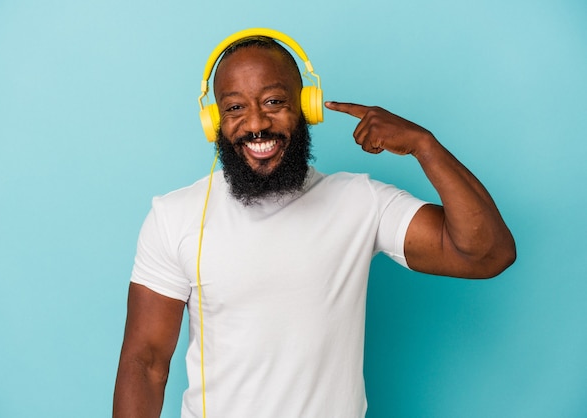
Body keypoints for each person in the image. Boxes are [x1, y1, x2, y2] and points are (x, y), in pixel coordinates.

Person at [113, 33, 516, 418]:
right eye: (235, 107)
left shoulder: (361, 202)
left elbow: (488, 254)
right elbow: (145, 362)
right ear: (213, 120)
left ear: (307, 107)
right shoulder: (175, 215)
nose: (256, 123)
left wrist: (425, 147)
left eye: (273, 101)